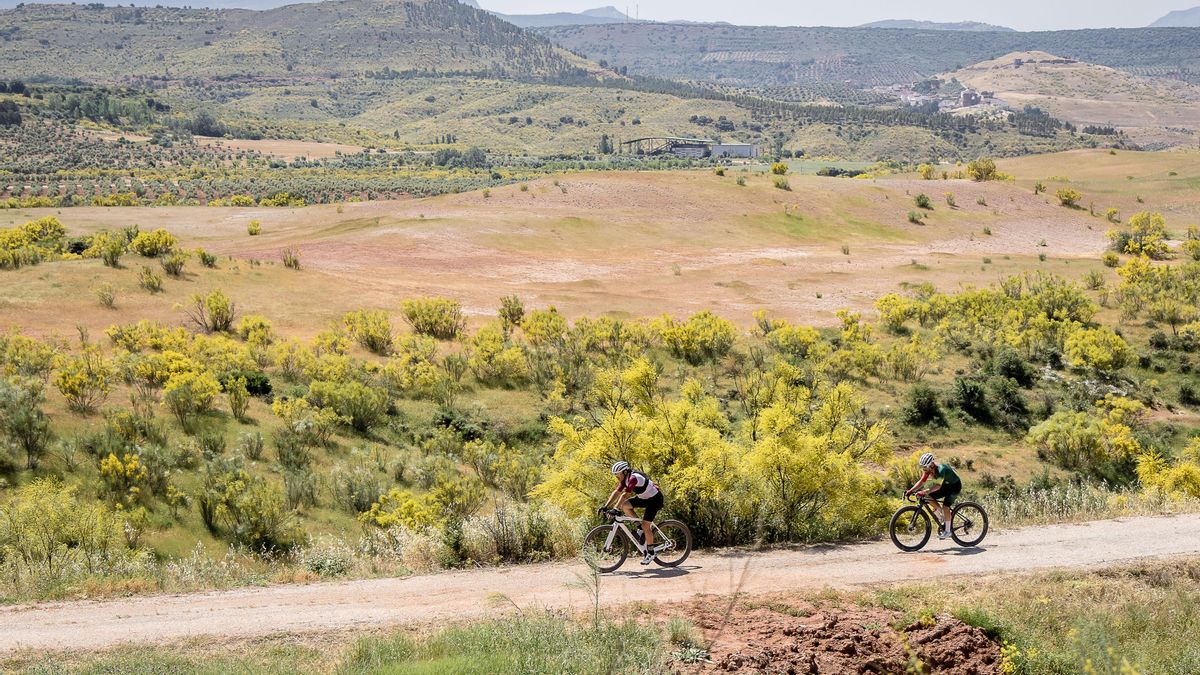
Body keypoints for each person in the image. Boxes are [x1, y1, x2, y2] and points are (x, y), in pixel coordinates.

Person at [599, 461, 665, 565]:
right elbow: (616, 492)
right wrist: (605, 506)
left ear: (625, 472)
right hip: (644, 498)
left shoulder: (633, 478)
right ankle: (640, 529)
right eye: (615, 475)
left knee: (646, 525)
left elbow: (625, 494)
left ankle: (651, 552)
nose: (616, 476)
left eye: (618, 474)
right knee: (625, 505)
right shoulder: (624, 479)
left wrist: (615, 509)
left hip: (655, 500)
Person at [907, 452, 962, 540]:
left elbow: (937, 486)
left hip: (954, 487)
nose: (924, 469)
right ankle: (942, 515)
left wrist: (923, 491)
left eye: (925, 467)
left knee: (946, 506)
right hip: (945, 486)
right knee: (928, 497)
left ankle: (948, 531)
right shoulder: (928, 470)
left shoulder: (940, 469)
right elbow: (921, 482)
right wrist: (911, 490)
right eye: (922, 467)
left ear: (931, 465)